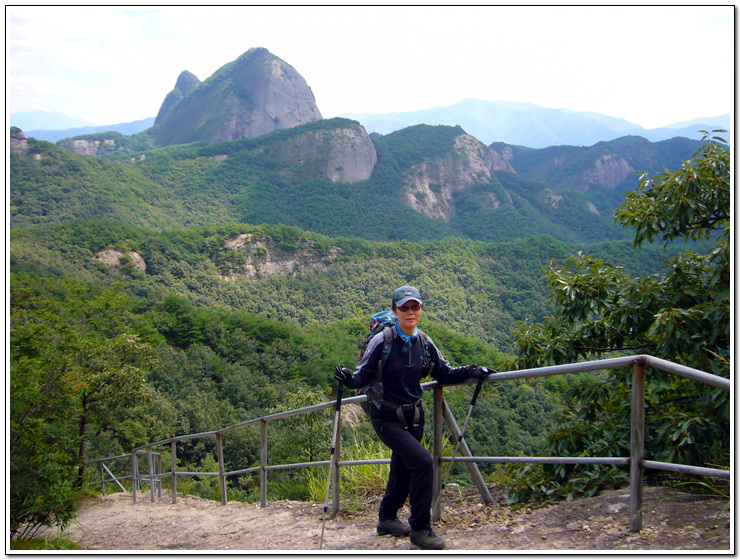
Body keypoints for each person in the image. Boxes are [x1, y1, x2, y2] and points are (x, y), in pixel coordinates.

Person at [334, 285, 490, 550]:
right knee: (422, 463)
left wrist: (473, 371)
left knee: (402, 467)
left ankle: (386, 518)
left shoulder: (424, 342)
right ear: (395, 311)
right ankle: (420, 527)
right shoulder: (381, 341)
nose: (410, 312)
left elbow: (445, 373)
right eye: (404, 307)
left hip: (414, 417)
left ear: (420, 309)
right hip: (385, 417)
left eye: (414, 307)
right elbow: (362, 377)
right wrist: (348, 378)